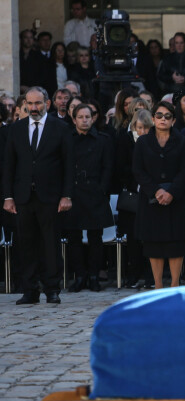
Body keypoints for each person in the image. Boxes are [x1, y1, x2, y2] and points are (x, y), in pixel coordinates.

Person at [3, 87, 74, 304]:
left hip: (51, 197)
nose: (34, 108)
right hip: (23, 197)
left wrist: (66, 195)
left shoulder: (60, 128)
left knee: (50, 244)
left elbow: (69, 165)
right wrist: (7, 196)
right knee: (26, 244)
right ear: (25, 104)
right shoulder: (16, 129)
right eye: (30, 104)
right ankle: (30, 290)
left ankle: (52, 289)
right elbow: (8, 165)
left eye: (38, 103)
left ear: (47, 104)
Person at [133, 101, 185, 289]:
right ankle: (158, 285)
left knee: (176, 244)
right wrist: (156, 190)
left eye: (167, 116)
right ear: (153, 118)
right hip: (151, 200)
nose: (163, 119)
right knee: (153, 244)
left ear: (173, 120)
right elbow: (138, 170)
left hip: (176, 200)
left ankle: (175, 284)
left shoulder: (182, 141)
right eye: (159, 115)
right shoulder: (143, 142)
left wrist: (171, 192)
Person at [62, 104, 114, 292]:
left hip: (94, 192)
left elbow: (108, 167)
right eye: (80, 116)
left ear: (93, 119)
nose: (84, 120)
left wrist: (102, 189)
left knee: (95, 236)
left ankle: (93, 275)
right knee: (73, 236)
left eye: (88, 116)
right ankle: (80, 275)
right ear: (74, 119)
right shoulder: (67, 139)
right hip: (73, 192)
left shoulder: (102, 140)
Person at [116, 109, 153, 289]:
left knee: (149, 238)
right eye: (139, 128)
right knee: (132, 240)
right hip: (132, 196)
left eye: (146, 128)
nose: (142, 131)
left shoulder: (155, 143)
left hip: (151, 196)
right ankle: (133, 275)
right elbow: (120, 166)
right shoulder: (127, 142)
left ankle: (150, 276)